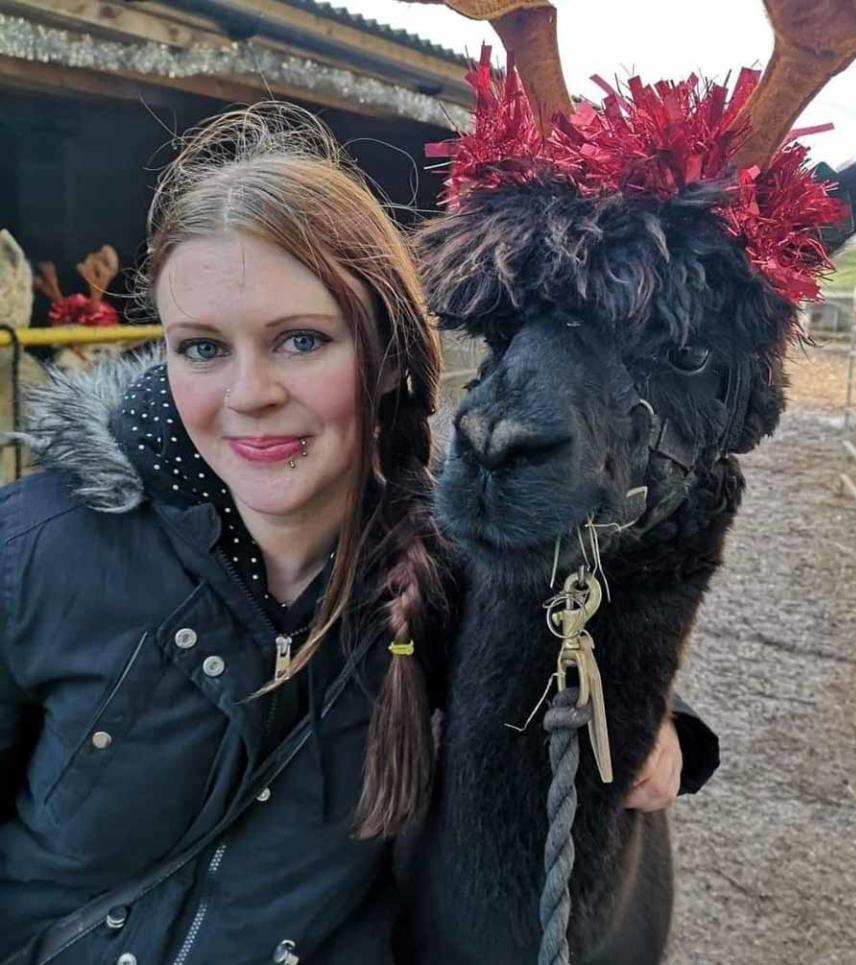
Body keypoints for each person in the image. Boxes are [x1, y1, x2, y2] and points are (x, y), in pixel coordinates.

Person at [0, 103, 717, 964]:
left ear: (384, 352)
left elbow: (548, 637)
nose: (249, 392)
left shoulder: (437, 576)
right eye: (201, 348)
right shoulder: (41, 550)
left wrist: (663, 723)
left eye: (300, 340)